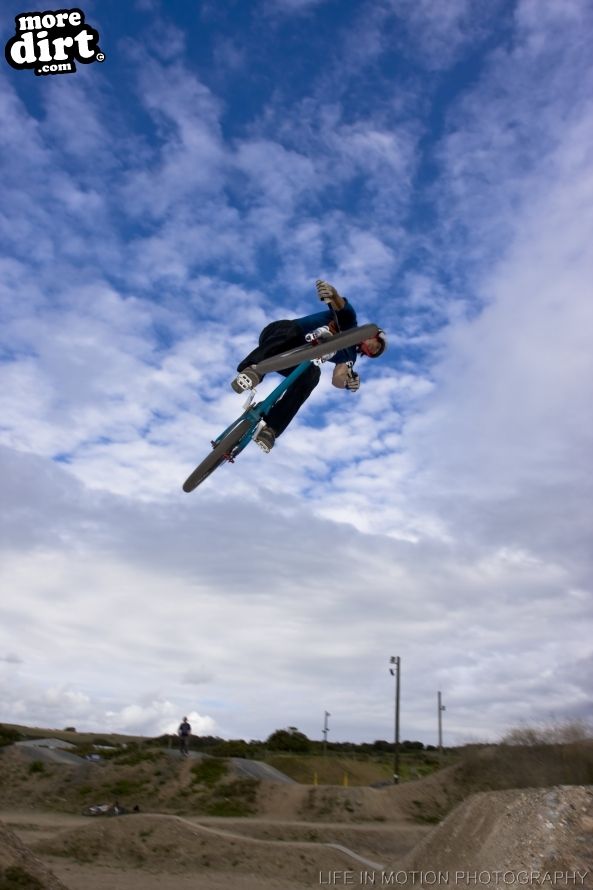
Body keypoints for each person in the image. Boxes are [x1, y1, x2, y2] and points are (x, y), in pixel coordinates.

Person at [231, 280, 387, 452]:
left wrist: (347, 382)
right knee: (291, 330)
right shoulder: (350, 324)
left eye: (376, 351)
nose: (375, 348)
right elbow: (340, 304)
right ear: (372, 334)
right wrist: (331, 292)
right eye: (377, 343)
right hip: (278, 338)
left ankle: (271, 429)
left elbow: (338, 377)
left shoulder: (349, 356)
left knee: (312, 375)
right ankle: (251, 372)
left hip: (292, 361)